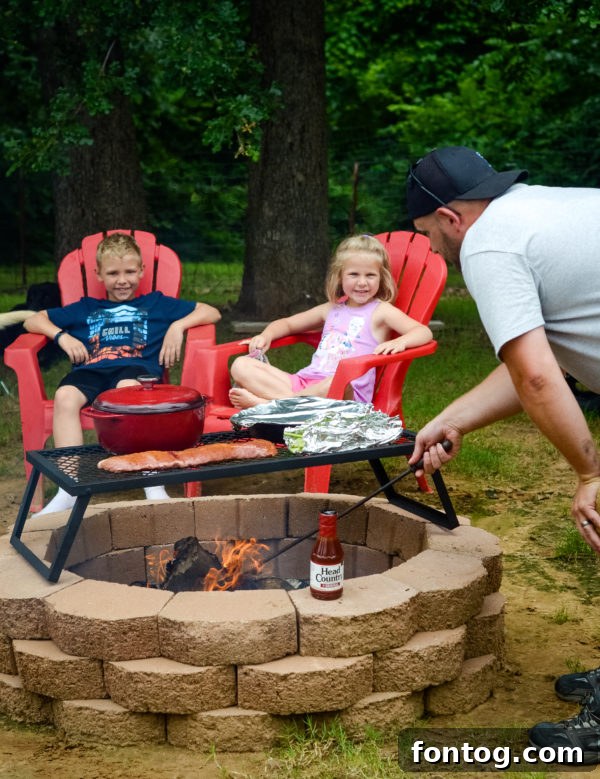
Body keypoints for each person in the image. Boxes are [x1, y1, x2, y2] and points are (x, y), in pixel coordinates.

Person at [405, 145, 600, 761]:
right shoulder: (552, 210)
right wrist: (452, 418)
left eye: (429, 236)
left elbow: (541, 379)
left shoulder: (489, 246)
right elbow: (537, 364)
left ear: (452, 217)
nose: (433, 251)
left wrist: (591, 473)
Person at [24, 232, 221, 516]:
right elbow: (33, 319)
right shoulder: (86, 308)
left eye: (130, 271)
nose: (122, 280)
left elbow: (210, 311)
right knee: (65, 396)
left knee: (128, 390)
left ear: (141, 270)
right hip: (91, 370)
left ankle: (150, 480)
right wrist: (62, 337)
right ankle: (69, 488)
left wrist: (177, 327)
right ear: (99, 275)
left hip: (135, 371)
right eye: (113, 273)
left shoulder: (157, 304)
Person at [228, 233, 433, 409]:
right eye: (353, 274)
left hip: (344, 394)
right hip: (306, 384)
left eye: (370, 275)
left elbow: (423, 332)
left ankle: (270, 405)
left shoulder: (381, 311)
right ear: (340, 277)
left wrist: (400, 342)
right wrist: (267, 335)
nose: (362, 282)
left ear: (381, 278)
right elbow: (288, 324)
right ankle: (288, 404)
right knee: (241, 365)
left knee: (336, 381)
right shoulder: (331, 309)